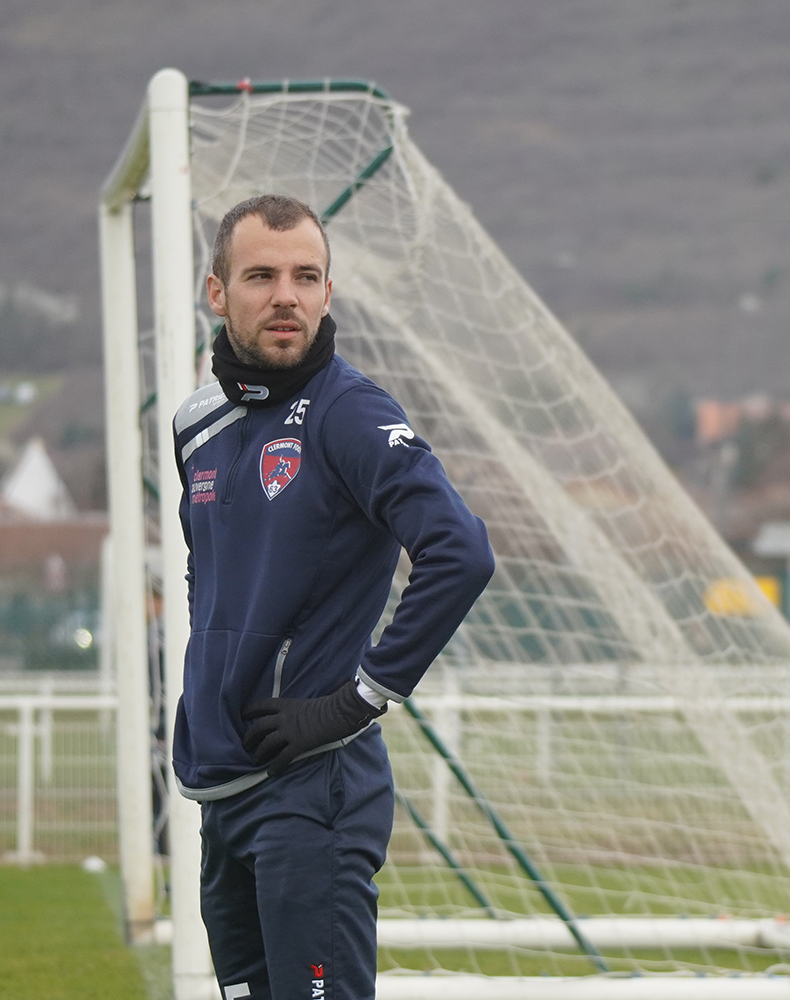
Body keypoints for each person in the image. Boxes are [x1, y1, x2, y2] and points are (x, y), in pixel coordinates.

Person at [171, 194, 496, 1000]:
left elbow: (460, 553)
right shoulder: (196, 424)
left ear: (327, 292)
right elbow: (208, 572)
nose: (287, 294)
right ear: (218, 292)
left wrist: (357, 700)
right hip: (224, 786)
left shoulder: (350, 413)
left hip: (312, 791)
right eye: (262, 275)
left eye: (306, 276)